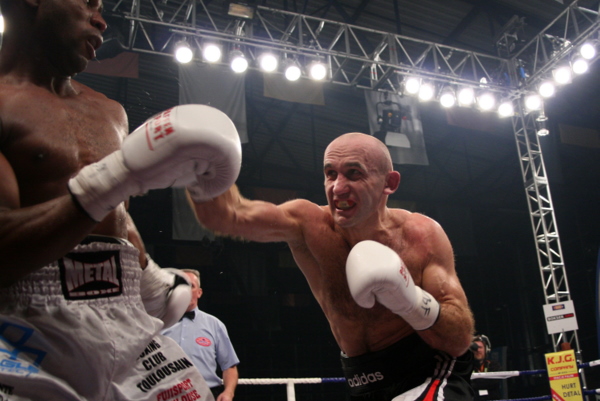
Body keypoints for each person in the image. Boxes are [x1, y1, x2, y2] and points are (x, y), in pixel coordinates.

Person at [0, 0, 241, 399]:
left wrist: (150, 280)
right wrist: (115, 178)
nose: (100, 20)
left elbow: (114, 214)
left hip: (127, 315)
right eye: (88, 2)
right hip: (25, 329)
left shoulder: (109, 112)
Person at [188, 132, 476, 400]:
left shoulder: (421, 236)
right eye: (330, 174)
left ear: (389, 183)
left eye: (354, 173)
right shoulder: (307, 224)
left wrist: (410, 300)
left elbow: (460, 338)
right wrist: (196, 165)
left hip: (430, 369)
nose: (338, 187)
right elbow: (227, 216)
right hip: (363, 381)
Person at [162, 269, 240, 401]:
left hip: (206, 395)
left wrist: (228, 392)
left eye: (191, 286)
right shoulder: (158, 324)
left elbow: (229, 366)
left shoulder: (214, 325)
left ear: (199, 292)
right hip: (165, 395)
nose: (186, 290)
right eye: (181, 285)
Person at [470, 334, 502, 400]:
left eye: (480, 347)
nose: (478, 350)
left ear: (486, 349)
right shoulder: (466, 367)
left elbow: (493, 382)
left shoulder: (494, 365)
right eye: (475, 348)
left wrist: (475, 383)